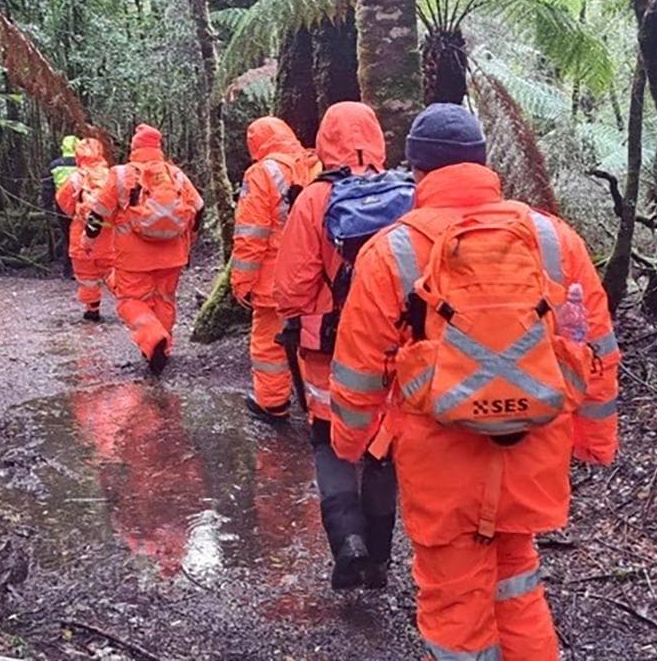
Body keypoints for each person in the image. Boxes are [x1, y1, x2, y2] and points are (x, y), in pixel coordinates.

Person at [329, 104, 621, 660]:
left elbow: (358, 368)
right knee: (516, 579)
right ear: (485, 164)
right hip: (532, 447)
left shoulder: (392, 250)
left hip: (441, 460)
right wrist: (595, 440)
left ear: (416, 171)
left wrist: (349, 444)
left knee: (452, 598)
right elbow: (597, 349)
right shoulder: (555, 240)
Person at [274, 102, 398, 590]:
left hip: (327, 346)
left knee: (330, 442)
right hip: (389, 347)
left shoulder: (314, 199)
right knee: (382, 446)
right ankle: (382, 559)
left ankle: (349, 543)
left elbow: (290, 289)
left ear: (324, 140)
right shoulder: (405, 192)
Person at [89, 124, 203, 375]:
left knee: (131, 300)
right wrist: (189, 241)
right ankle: (164, 346)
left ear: (134, 148)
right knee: (164, 299)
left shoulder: (121, 175)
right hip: (173, 255)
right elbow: (199, 207)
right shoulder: (176, 175)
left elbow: (98, 213)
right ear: (158, 148)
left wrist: (89, 241)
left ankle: (153, 339)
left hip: (134, 260)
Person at [231, 117, 317, 422]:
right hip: (315, 276)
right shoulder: (316, 164)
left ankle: (272, 402)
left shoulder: (261, 173)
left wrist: (241, 280)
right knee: (313, 343)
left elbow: (252, 234)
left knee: (269, 343)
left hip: (274, 278)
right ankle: (319, 411)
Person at [55, 138, 114, 321]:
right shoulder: (112, 176)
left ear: (78, 156)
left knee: (86, 277)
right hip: (111, 238)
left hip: (81, 237)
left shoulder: (75, 178)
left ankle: (92, 310)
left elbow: (63, 204)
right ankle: (131, 303)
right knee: (113, 273)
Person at [50, 135, 80, 278]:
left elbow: (47, 187)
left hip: (61, 205)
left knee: (67, 236)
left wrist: (47, 207)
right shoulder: (83, 163)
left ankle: (68, 270)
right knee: (81, 236)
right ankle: (83, 270)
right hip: (81, 205)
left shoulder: (56, 164)